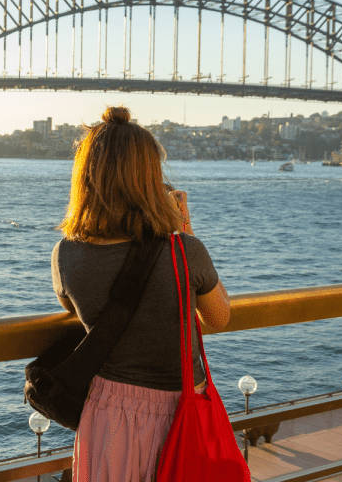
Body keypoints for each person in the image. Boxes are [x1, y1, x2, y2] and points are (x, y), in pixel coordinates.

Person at [51, 106, 231, 482]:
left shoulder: (65, 254)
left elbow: (69, 304)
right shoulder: (184, 251)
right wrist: (184, 229)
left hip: (107, 417)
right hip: (181, 418)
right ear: (150, 178)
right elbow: (218, 317)